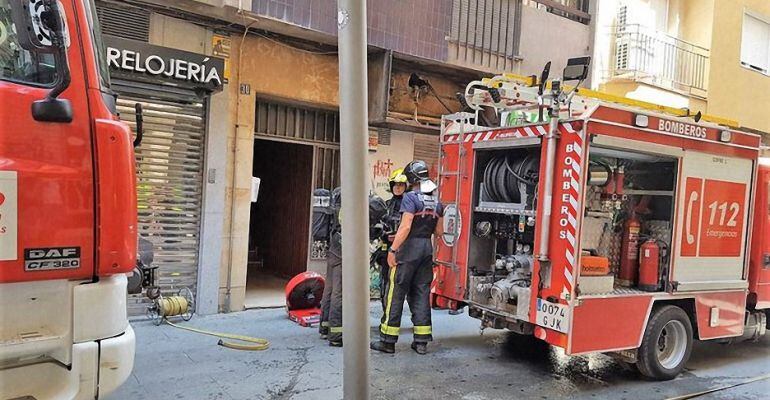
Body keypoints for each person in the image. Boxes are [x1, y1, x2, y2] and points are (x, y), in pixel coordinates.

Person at [371, 160, 443, 355]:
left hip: (407, 251)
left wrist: (393, 250)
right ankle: (421, 341)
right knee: (421, 294)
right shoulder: (437, 201)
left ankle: (387, 341)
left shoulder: (410, 198)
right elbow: (439, 231)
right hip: (426, 251)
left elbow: (405, 227)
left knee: (395, 294)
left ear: (412, 178)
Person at [375, 168, 409, 311]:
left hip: (404, 252)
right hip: (386, 251)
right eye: (395, 184)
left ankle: (395, 315)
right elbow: (378, 224)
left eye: (401, 185)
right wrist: (383, 234)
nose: (398, 187)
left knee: (401, 284)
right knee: (385, 283)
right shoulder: (386, 205)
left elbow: (410, 227)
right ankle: (386, 313)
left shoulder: (410, 205)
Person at [319, 187, 343, 346]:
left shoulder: (337, 195)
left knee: (329, 288)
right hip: (343, 247)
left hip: (334, 244)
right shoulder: (350, 199)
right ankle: (336, 335)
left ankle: (324, 327)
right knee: (339, 292)